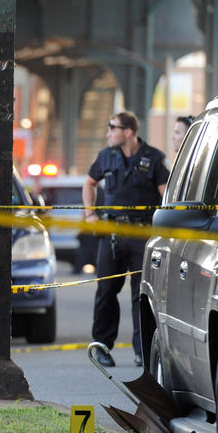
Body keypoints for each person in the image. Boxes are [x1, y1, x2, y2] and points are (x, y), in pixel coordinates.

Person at [83, 111, 169, 367]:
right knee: (106, 290)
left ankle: (142, 350)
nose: (108, 133)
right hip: (111, 234)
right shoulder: (105, 156)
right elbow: (89, 183)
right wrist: (89, 213)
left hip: (142, 234)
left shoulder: (153, 159)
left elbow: (166, 195)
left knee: (140, 295)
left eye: (112, 128)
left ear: (128, 131)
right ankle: (101, 346)